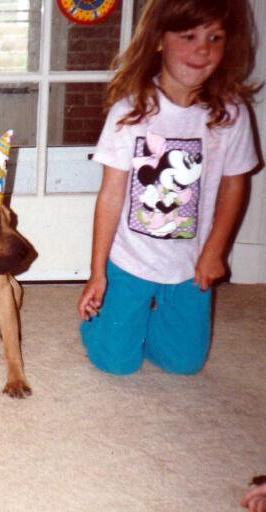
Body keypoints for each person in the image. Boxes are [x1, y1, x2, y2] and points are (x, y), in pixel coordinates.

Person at [76, 0, 259, 375]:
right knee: (115, 363)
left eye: (215, 37)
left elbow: (234, 186)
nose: (203, 49)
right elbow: (110, 195)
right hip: (130, 261)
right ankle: (106, 324)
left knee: (184, 363)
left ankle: (142, 324)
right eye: (188, 36)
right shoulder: (132, 111)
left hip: (190, 264)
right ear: (159, 40)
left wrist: (215, 252)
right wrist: (98, 272)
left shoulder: (231, 114)